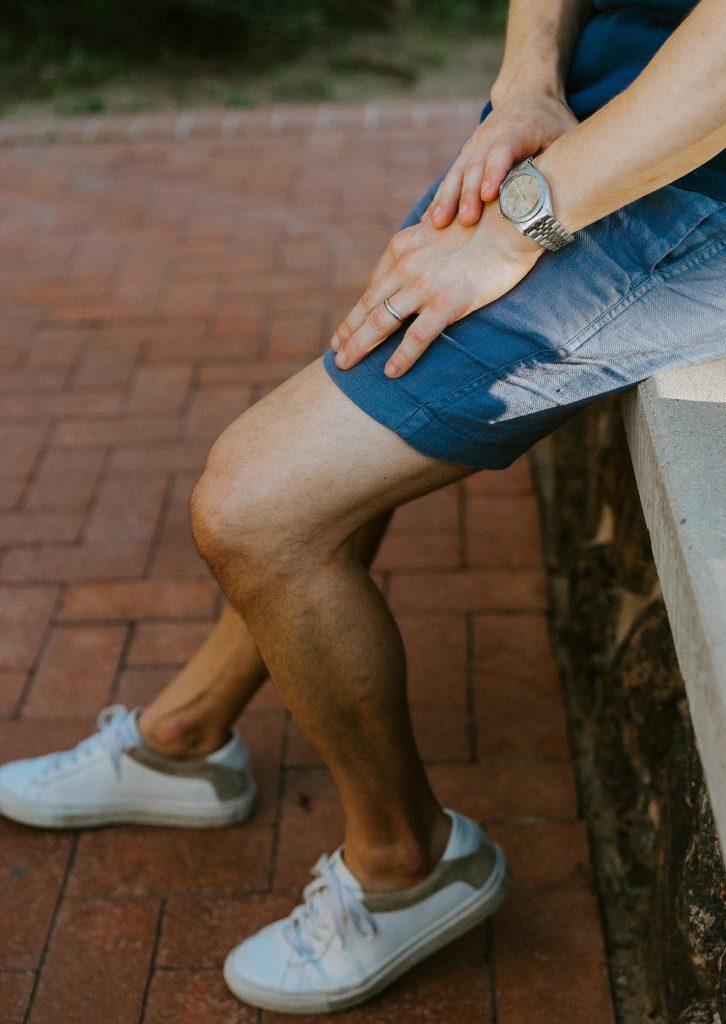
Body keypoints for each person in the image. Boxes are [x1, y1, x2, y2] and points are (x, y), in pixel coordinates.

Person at [2, 0, 725, 1014]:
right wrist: (528, 83)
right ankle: (187, 740)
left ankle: (408, 862)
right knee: (370, 364)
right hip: (606, 94)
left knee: (255, 506)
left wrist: (528, 215)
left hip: (701, 168)